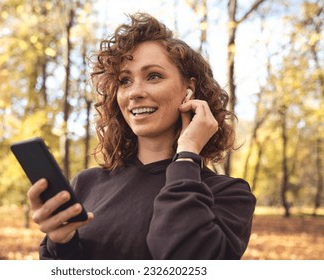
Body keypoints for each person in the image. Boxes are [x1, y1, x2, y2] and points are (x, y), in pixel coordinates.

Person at [28, 12, 256, 260]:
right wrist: (62, 243)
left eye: (153, 76)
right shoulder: (86, 184)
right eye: (125, 81)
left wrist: (188, 152)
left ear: (188, 91)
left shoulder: (229, 194)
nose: (134, 92)